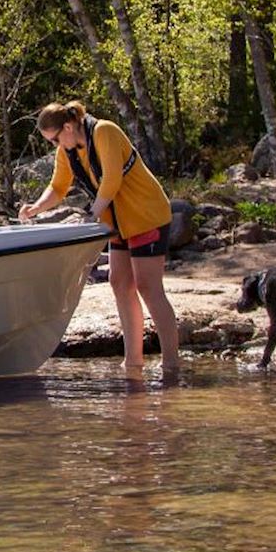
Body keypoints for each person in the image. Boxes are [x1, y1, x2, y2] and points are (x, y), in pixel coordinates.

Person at [17, 101, 180, 377]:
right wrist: (35, 207)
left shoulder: (104, 131)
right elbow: (57, 188)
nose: (56, 144)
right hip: (118, 222)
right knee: (119, 283)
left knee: (148, 287)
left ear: (68, 127)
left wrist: (93, 214)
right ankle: (133, 363)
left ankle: (172, 365)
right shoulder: (66, 150)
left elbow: (112, 180)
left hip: (145, 215)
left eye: (55, 138)